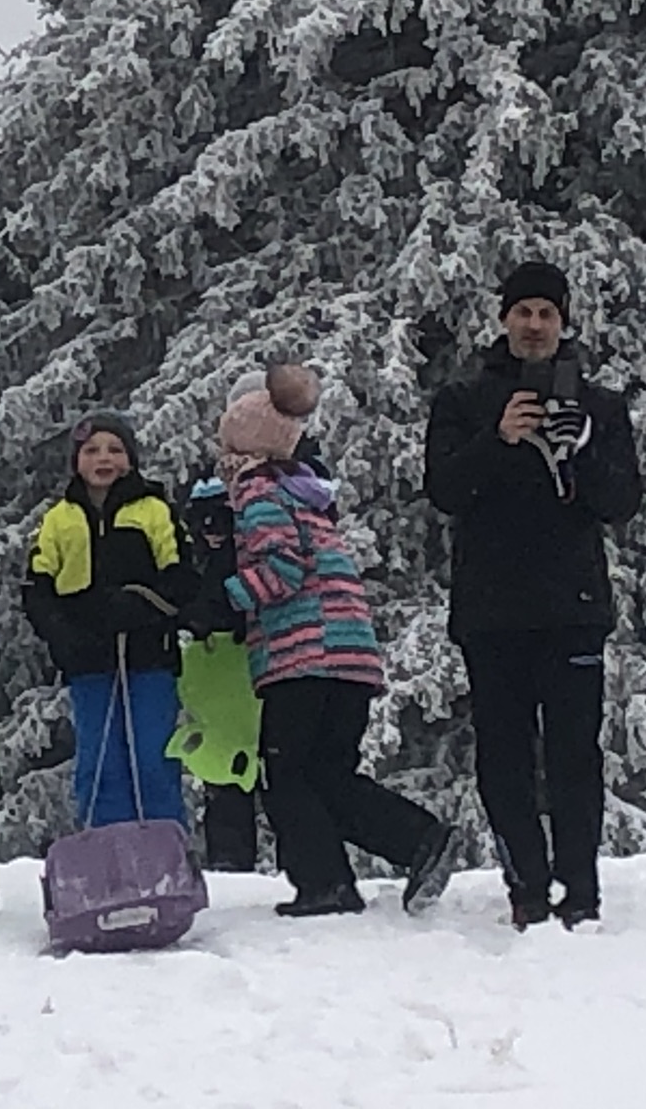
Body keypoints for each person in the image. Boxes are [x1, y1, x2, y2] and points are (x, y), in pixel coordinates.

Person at [423, 260, 643, 930]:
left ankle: (581, 890)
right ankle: (526, 885)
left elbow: (621, 501)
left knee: (576, 754)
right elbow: (444, 491)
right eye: (523, 311)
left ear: (563, 322)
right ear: (503, 319)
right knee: (504, 757)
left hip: (573, 608)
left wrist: (580, 452)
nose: (535, 325)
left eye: (547, 313)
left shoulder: (600, 407)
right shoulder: (462, 402)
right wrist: (500, 440)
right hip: (491, 612)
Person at [220, 364, 458, 917]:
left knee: (287, 773)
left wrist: (227, 596)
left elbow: (282, 569)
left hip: (304, 652)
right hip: (350, 650)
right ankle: (416, 841)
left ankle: (328, 881)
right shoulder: (307, 492)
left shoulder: (258, 491)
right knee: (326, 773)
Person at [22, 411, 192, 830]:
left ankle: (161, 846)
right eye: (92, 450)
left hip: (148, 656)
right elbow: (37, 587)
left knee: (151, 758)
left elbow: (182, 576)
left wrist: (145, 607)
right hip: (88, 659)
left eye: (115, 450)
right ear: (76, 460)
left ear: (130, 459)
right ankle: (107, 849)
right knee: (100, 763)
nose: (104, 458)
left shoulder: (153, 510)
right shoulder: (60, 518)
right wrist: (60, 634)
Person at [179, 475, 260, 873]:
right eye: (202, 521)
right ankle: (230, 863)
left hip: (252, 671)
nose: (211, 531)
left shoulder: (248, 559)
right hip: (217, 681)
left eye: (220, 520)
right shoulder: (195, 564)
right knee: (225, 775)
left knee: (268, 772)